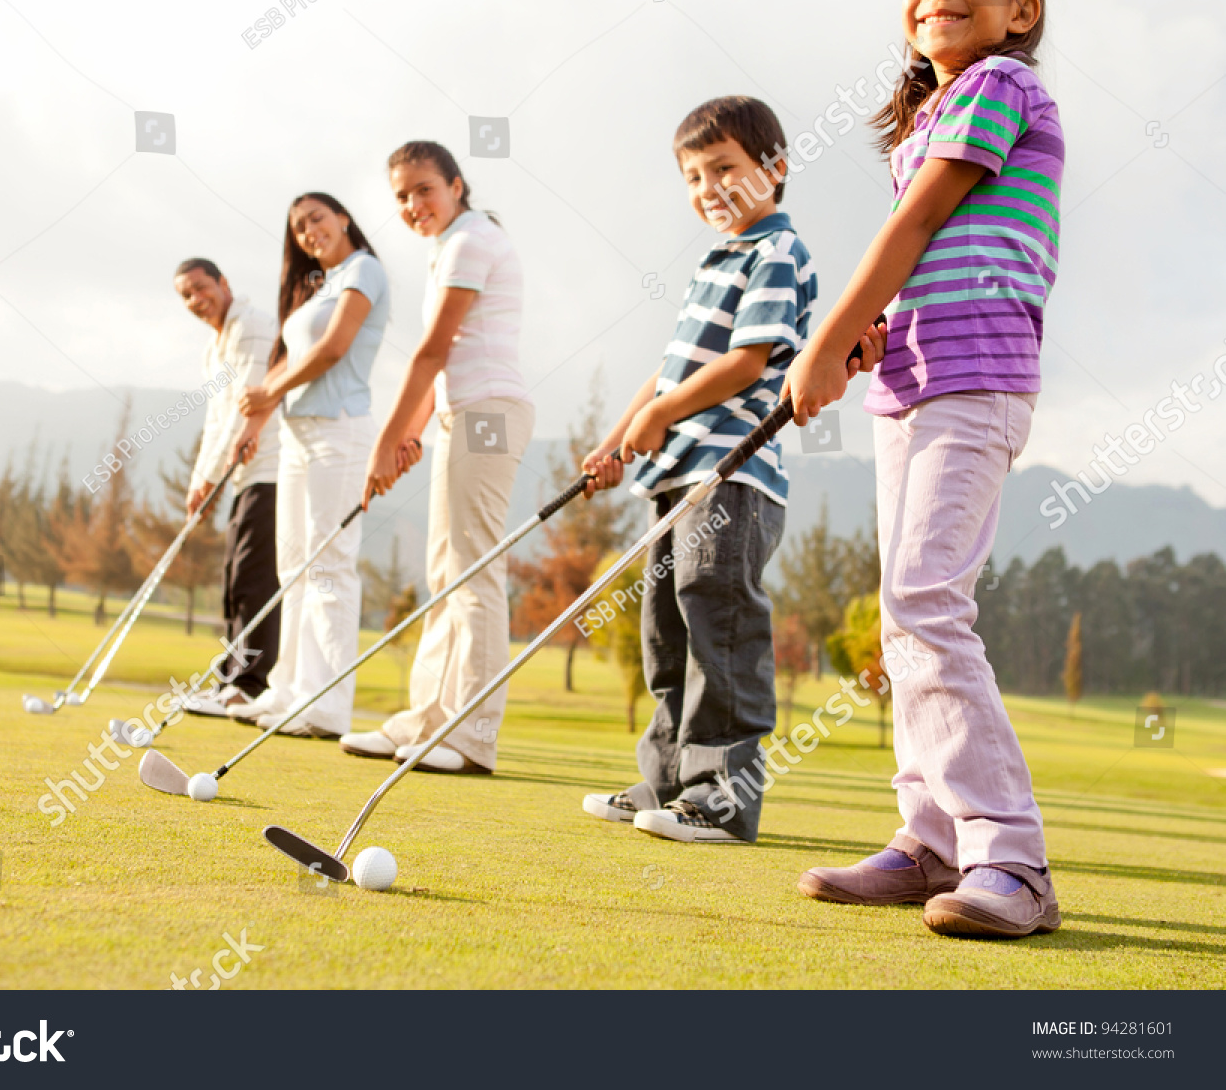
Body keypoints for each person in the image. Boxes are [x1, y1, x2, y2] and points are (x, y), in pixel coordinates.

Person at [787, 0, 1062, 938]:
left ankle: (1011, 857)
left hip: (977, 383)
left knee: (925, 599)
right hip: (910, 384)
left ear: (1018, 12)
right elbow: (922, 259)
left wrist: (828, 337)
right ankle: (930, 839)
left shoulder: (1001, 85)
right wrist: (874, 334)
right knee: (904, 616)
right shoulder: (924, 122)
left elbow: (916, 224)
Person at [579, 96, 882, 844]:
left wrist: (662, 414)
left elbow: (748, 363)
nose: (708, 187)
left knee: (720, 621)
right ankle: (668, 778)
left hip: (733, 475)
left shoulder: (779, 254)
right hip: (678, 473)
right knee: (667, 627)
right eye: (693, 176)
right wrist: (620, 438)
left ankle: (721, 797)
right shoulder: (714, 260)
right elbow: (667, 370)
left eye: (724, 169)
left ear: (774, 169)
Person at [340, 141, 533, 775]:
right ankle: (425, 721)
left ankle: (472, 736)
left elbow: (431, 351)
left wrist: (383, 443)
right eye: (400, 196)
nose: (412, 204)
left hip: (487, 416)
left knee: (472, 567)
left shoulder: (470, 240)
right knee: (445, 571)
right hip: (461, 413)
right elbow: (441, 365)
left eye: (423, 189)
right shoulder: (450, 245)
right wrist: (410, 436)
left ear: (455, 185)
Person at [230, 193, 389, 738]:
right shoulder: (316, 287)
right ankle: (289, 690)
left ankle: (326, 704)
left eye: (316, 218)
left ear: (344, 217)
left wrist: (266, 391)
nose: (308, 232)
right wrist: (257, 419)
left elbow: (331, 350)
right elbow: (293, 359)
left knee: (328, 565)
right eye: (298, 227)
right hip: (297, 435)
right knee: (292, 567)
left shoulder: (363, 269)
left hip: (339, 431)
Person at [171, 257, 281, 716]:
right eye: (187, 296)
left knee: (255, 579)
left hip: (272, 466)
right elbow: (216, 419)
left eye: (201, 288)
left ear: (224, 283)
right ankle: (231, 681)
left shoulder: (253, 326)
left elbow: (244, 408)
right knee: (235, 579)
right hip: (242, 472)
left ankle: (250, 685)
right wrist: (201, 479)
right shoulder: (214, 348)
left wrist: (211, 476)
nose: (197, 300)